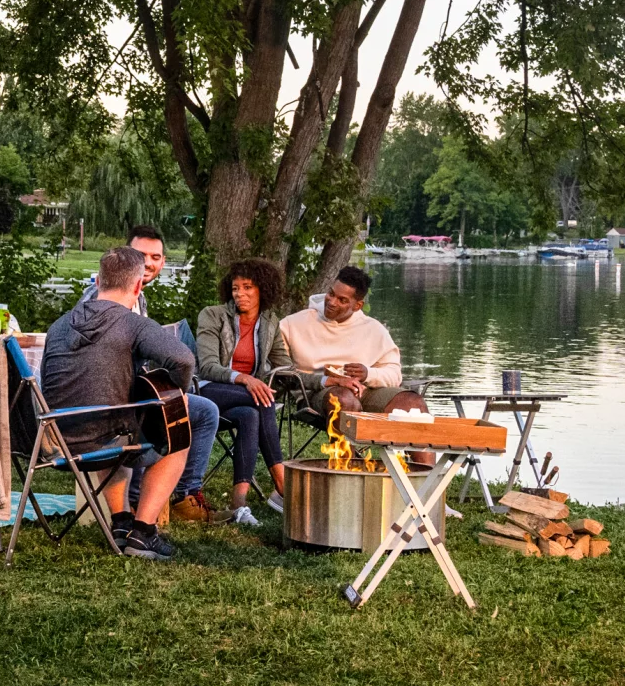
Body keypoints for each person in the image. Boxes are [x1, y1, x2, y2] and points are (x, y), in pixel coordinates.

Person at [38, 244, 197, 559]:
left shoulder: (58, 325)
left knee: (111, 414)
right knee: (178, 423)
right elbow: (184, 359)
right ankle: (144, 533)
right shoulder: (133, 324)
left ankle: (121, 522)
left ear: (98, 281)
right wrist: (173, 394)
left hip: (55, 442)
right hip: (103, 440)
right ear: (138, 287)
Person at [74, 221, 221, 521]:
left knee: (185, 408)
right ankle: (159, 501)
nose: (149, 263)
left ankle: (175, 496)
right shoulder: (101, 296)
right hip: (106, 403)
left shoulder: (138, 297)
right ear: (125, 256)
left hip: (120, 396)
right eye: (142, 256)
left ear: (163, 262)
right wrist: (173, 393)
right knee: (194, 412)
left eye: (155, 257)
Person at [192, 258, 290, 526]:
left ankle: (239, 504)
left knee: (250, 414)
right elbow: (207, 367)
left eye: (247, 287)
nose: (240, 294)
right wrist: (245, 379)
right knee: (262, 399)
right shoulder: (212, 315)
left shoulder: (269, 322)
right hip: (206, 390)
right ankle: (283, 485)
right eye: (235, 288)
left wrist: (325, 380)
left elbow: (286, 368)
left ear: (263, 289)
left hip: (243, 398)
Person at [275, 265, 424, 416]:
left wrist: (368, 374)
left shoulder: (374, 329)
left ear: (358, 306)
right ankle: (346, 432)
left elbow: (394, 374)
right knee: (344, 400)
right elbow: (279, 368)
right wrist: (327, 379)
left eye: (342, 300)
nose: (332, 302)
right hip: (317, 391)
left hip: (364, 390)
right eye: (331, 294)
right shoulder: (292, 324)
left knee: (413, 404)